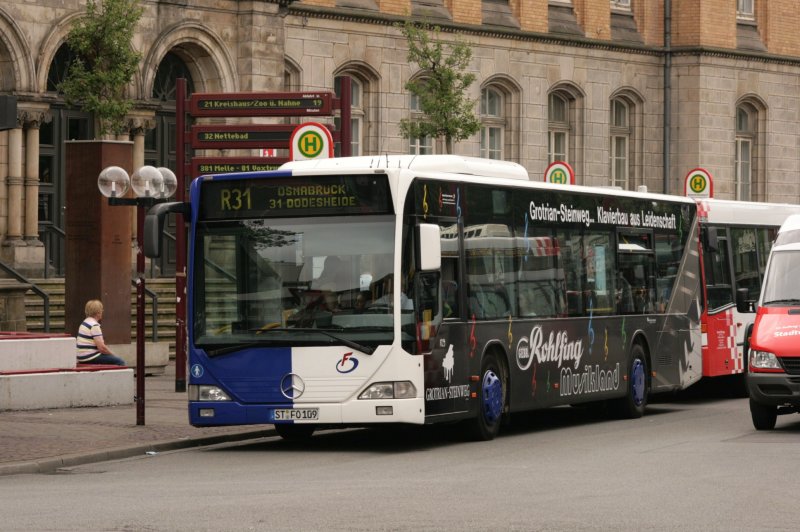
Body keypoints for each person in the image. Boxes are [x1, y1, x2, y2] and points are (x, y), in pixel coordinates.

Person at [76, 299, 126, 366]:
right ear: (98, 313)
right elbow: (102, 348)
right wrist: (113, 355)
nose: (102, 312)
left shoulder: (84, 323)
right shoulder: (94, 325)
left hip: (81, 357)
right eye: (101, 310)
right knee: (120, 362)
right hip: (90, 357)